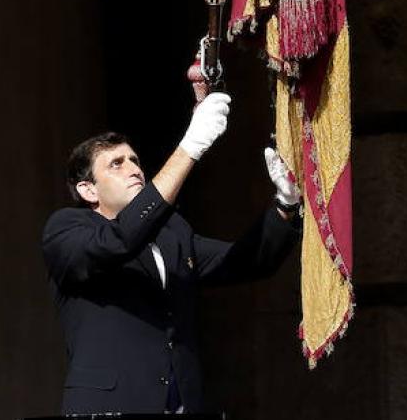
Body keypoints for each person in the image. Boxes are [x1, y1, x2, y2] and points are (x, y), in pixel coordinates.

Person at [41, 92, 301, 415]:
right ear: (88, 189)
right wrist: (189, 147)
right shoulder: (66, 229)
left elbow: (245, 261)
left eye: (135, 160)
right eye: (116, 164)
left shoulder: (172, 233)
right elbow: (120, 240)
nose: (133, 169)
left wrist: (285, 206)